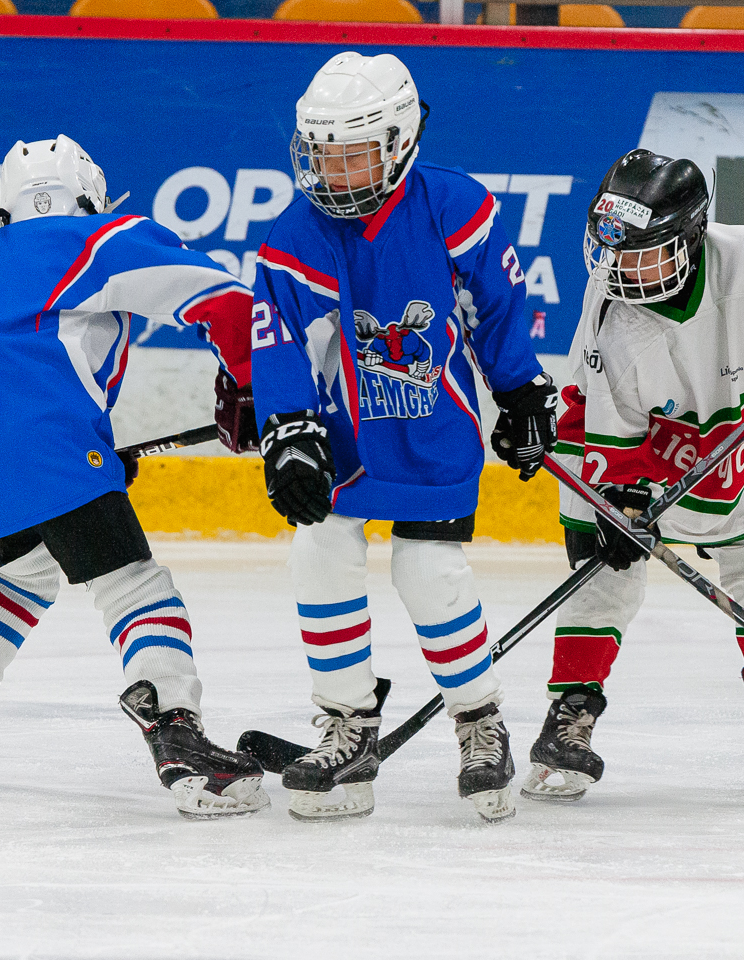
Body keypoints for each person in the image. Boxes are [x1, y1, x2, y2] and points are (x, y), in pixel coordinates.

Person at [0, 134, 269, 820]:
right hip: (42, 448)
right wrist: (251, 384)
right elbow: (230, 303)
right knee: (133, 584)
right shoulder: (104, 236)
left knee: (23, 568)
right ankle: (176, 732)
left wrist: (84, 453)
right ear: (89, 194)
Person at [249, 52, 558, 823]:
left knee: (429, 571)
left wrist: (518, 388)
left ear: (396, 142)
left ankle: (479, 720)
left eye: (350, 154)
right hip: (345, 435)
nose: (333, 171)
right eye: (321, 153)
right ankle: (347, 724)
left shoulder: (455, 207)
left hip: (433, 432)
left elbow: (495, 309)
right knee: (318, 550)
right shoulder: (294, 235)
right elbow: (279, 343)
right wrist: (287, 431)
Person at [522, 149, 744, 803]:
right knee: (604, 579)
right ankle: (568, 719)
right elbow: (595, 428)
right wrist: (614, 507)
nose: (621, 267)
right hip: (626, 449)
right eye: (614, 249)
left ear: (688, 240)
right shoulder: (613, 320)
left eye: (642, 252)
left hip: (726, 451)